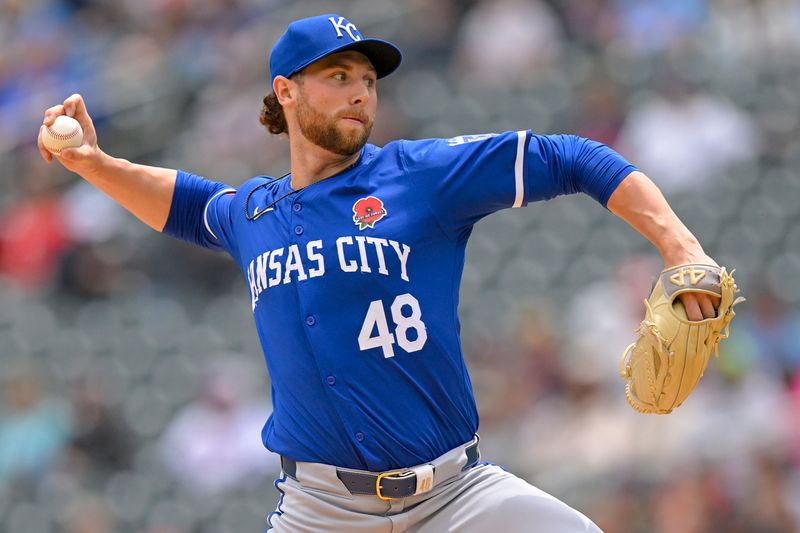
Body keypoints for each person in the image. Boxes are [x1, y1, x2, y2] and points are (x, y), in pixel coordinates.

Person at [37, 13, 722, 533]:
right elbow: (188, 205)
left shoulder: (419, 176)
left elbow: (570, 156)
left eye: (367, 79)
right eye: (339, 77)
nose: (361, 92)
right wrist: (95, 164)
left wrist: (680, 246)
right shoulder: (254, 212)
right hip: (320, 511)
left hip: (457, 497)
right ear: (287, 92)